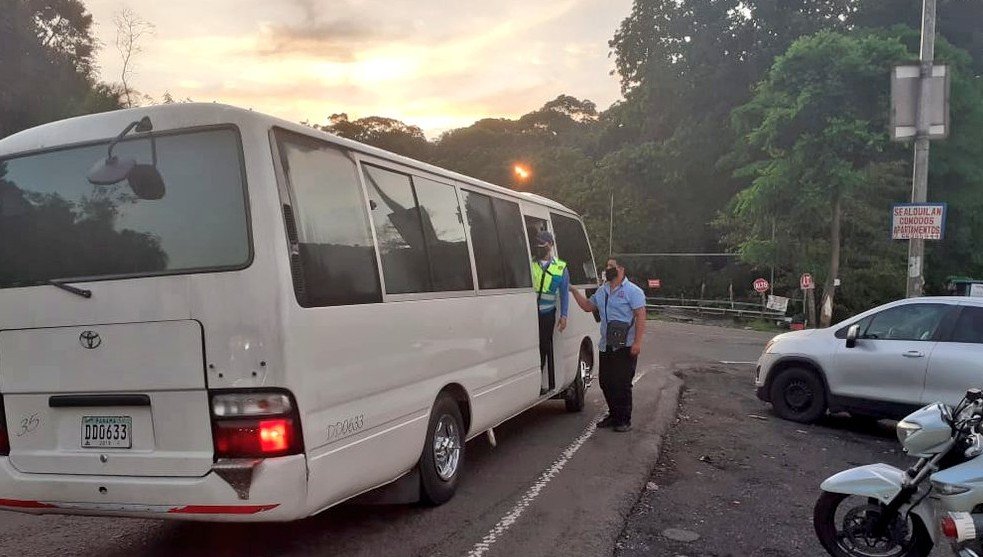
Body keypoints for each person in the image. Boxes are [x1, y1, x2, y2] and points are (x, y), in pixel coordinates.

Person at [570, 258, 646, 432]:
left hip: (625, 345)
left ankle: (624, 420)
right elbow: (588, 307)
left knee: (623, 383)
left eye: (612, 266)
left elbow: (640, 316)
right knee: (606, 381)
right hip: (607, 344)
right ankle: (613, 414)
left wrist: (637, 342)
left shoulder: (633, 291)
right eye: (607, 266)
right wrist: (574, 291)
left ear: (621, 269)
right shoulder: (602, 291)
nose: (608, 269)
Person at [531, 230, 569, 395]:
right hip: (529, 313)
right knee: (531, 347)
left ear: (551, 245)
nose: (540, 247)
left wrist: (564, 316)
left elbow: (564, 293)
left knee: (543, 347)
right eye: (538, 244)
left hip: (547, 313)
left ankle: (539, 383)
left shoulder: (561, 267)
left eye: (543, 244)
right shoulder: (531, 264)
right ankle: (532, 383)